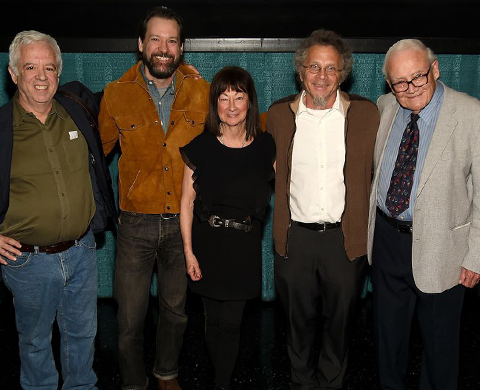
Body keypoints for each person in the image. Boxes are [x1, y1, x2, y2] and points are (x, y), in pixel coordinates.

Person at [0, 30, 116, 390]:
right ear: (13, 73)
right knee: (35, 343)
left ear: (58, 73)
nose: (41, 76)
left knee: (83, 335)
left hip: (83, 251)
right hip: (29, 262)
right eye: (30, 66)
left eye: (49, 68)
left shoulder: (78, 113)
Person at [367, 39, 480, 390]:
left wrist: (477, 259)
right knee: (387, 341)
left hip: (445, 251)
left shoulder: (476, 117)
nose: (409, 90)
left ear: (436, 69)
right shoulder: (384, 107)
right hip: (386, 241)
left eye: (418, 78)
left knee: (440, 350)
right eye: (399, 82)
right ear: (388, 84)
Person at [98, 6, 210, 390]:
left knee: (175, 311)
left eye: (172, 41)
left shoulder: (202, 91)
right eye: (156, 39)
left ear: (182, 48)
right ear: (141, 44)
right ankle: (132, 381)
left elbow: (230, 137)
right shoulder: (115, 95)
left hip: (183, 224)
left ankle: (167, 374)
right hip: (134, 224)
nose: (164, 48)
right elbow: (97, 155)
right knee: (129, 316)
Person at [265, 29, 379, 389]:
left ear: (342, 73)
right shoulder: (279, 115)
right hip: (294, 238)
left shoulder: (365, 114)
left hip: (344, 241)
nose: (322, 76)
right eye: (314, 66)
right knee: (297, 324)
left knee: (340, 323)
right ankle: (301, 382)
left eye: (331, 68)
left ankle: (332, 383)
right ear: (301, 71)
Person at [179, 66, 275, 390]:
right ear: (214, 103)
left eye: (239, 97)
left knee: (232, 323)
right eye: (224, 97)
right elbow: (186, 204)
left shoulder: (266, 147)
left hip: (243, 250)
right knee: (212, 321)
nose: (231, 106)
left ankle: (221, 385)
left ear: (250, 102)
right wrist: (189, 253)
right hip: (208, 246)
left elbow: (290, 188)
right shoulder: (200, 148)